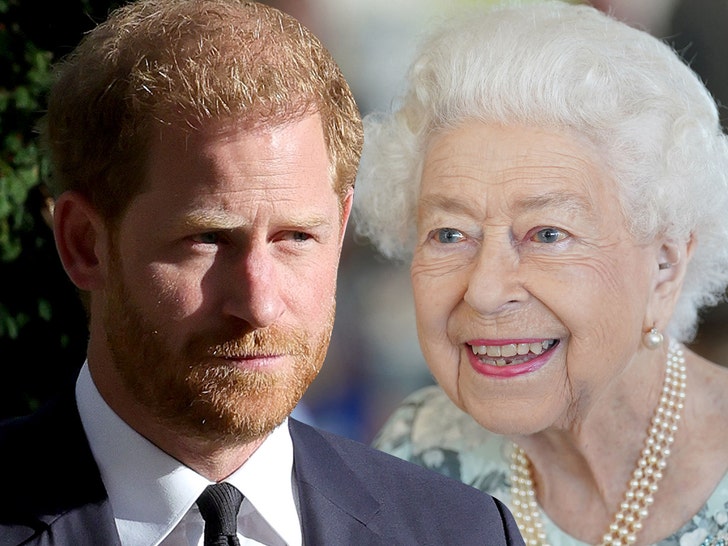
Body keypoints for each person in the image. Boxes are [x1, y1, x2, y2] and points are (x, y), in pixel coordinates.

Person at [0, 1, 526, 545]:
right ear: (84, 244)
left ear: (341, 230)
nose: (259, 302)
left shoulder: (462, 532)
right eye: (207, 239)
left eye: (296, 237)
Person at [353, 1, 728, 545]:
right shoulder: (416, 452)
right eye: (449, 234)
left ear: (665, 268)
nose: (483, 292)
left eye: (547, 234)